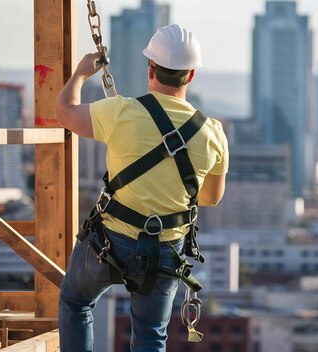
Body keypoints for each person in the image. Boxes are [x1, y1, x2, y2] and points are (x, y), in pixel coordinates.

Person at [55, 24, 228, 352]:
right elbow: (210, 198)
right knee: (150, 333)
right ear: (191, 76)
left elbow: (64, 112)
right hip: (165, 250)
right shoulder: (213, 133)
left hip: (109, 242)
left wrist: (79, 74)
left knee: (76, 302)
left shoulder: (121, 112)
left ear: (150, 69)